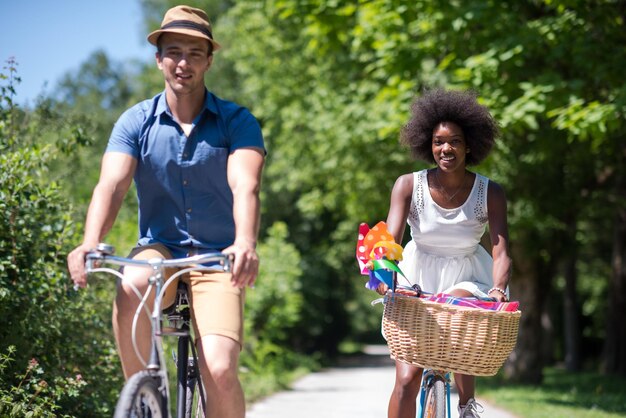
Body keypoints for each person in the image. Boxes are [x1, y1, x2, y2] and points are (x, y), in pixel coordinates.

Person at [67, 5, 265, 417]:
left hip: (218, 256)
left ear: (209, 60)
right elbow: (113, 184)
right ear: (158, 59)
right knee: (132, 280)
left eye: (195, 53)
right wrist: (89, 242)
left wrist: (245, 242)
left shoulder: (236, 121)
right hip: (160, 250)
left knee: (221, 369)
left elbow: (245, 184)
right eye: (173, 52)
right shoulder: (135, 122)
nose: (183, 63)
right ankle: (142, 399)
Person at [378, 88, 511, 418]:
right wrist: (384, 274)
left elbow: (501, 250)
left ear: (469, 146)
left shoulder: (490, 192)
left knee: (461, 315)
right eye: (439, 141)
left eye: (454, 141)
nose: (446, 148)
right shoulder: (408, 185)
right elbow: (390, 238)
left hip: (468, 275)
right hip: (417, 273)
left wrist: (497, 290)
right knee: (406, 382)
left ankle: (466, 405)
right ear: (428, 144)